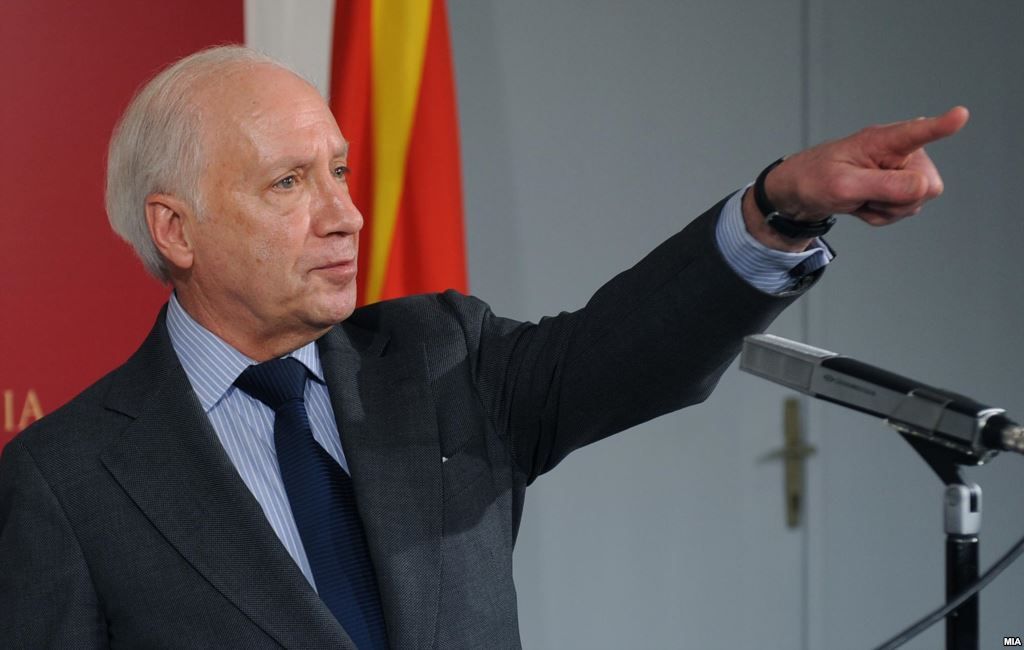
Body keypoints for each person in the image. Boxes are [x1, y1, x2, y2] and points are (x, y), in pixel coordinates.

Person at [0, 46, 967, 649]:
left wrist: (779, 211)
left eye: (340, 171)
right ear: (176, 230)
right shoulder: (65, 481)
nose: (346, 215)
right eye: (288, 184)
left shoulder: (438, 360)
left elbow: (633, 348)